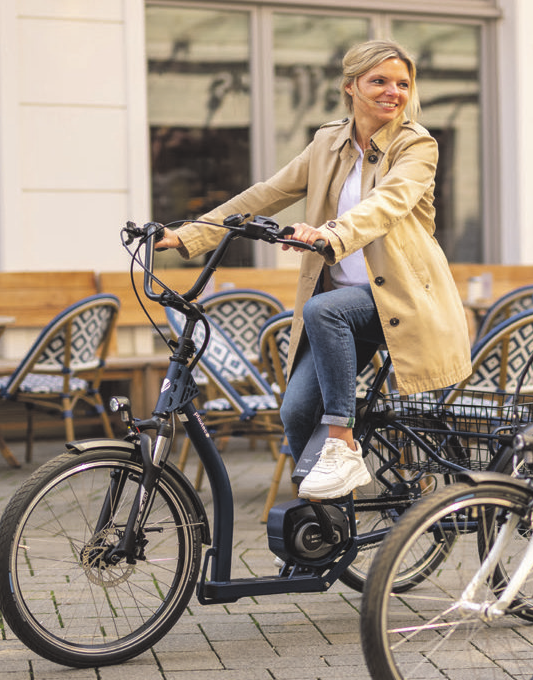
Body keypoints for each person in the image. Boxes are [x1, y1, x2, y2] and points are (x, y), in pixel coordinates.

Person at [157, 39, 471, 500]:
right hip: (345, 303)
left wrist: (330, 233)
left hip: (403, 298)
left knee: (325, 311)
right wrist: (186, 234)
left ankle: (342, 444)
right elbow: (266, 194)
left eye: (402, 83)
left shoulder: (416, 144)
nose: (393, 92)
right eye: (379, 81)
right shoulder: (328, 142)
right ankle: (322, 520)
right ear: (351, 87)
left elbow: (388, 203)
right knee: (296, 413)